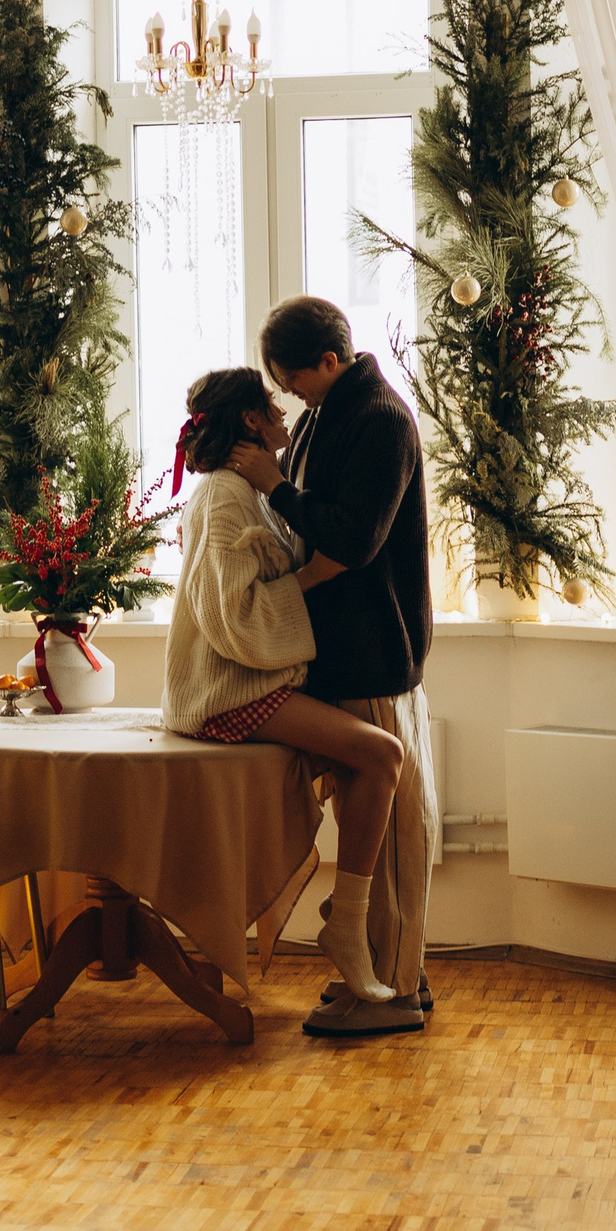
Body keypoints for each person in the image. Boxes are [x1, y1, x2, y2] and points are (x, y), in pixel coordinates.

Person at [161, 366, 416, 1020]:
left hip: (250, 682)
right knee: (383, 755)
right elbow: (231, 616)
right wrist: (312, 578)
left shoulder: (241, 490)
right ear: (251, 420)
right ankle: (348, 925)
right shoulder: (224, 496)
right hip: (228, 690)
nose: (285, 413)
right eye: (272, 404)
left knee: (370, 761)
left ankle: (349, 920)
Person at [226, 296, 440, 1041]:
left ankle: (394, 990)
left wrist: (274, 484)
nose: (289, 395)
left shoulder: (380, 419)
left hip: (376, 653)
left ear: (328, 359)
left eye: (294, 379)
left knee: (395, 833)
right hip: (343, 651)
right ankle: (384, 969)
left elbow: (353, 536)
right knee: (369, 826)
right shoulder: (330, 412)